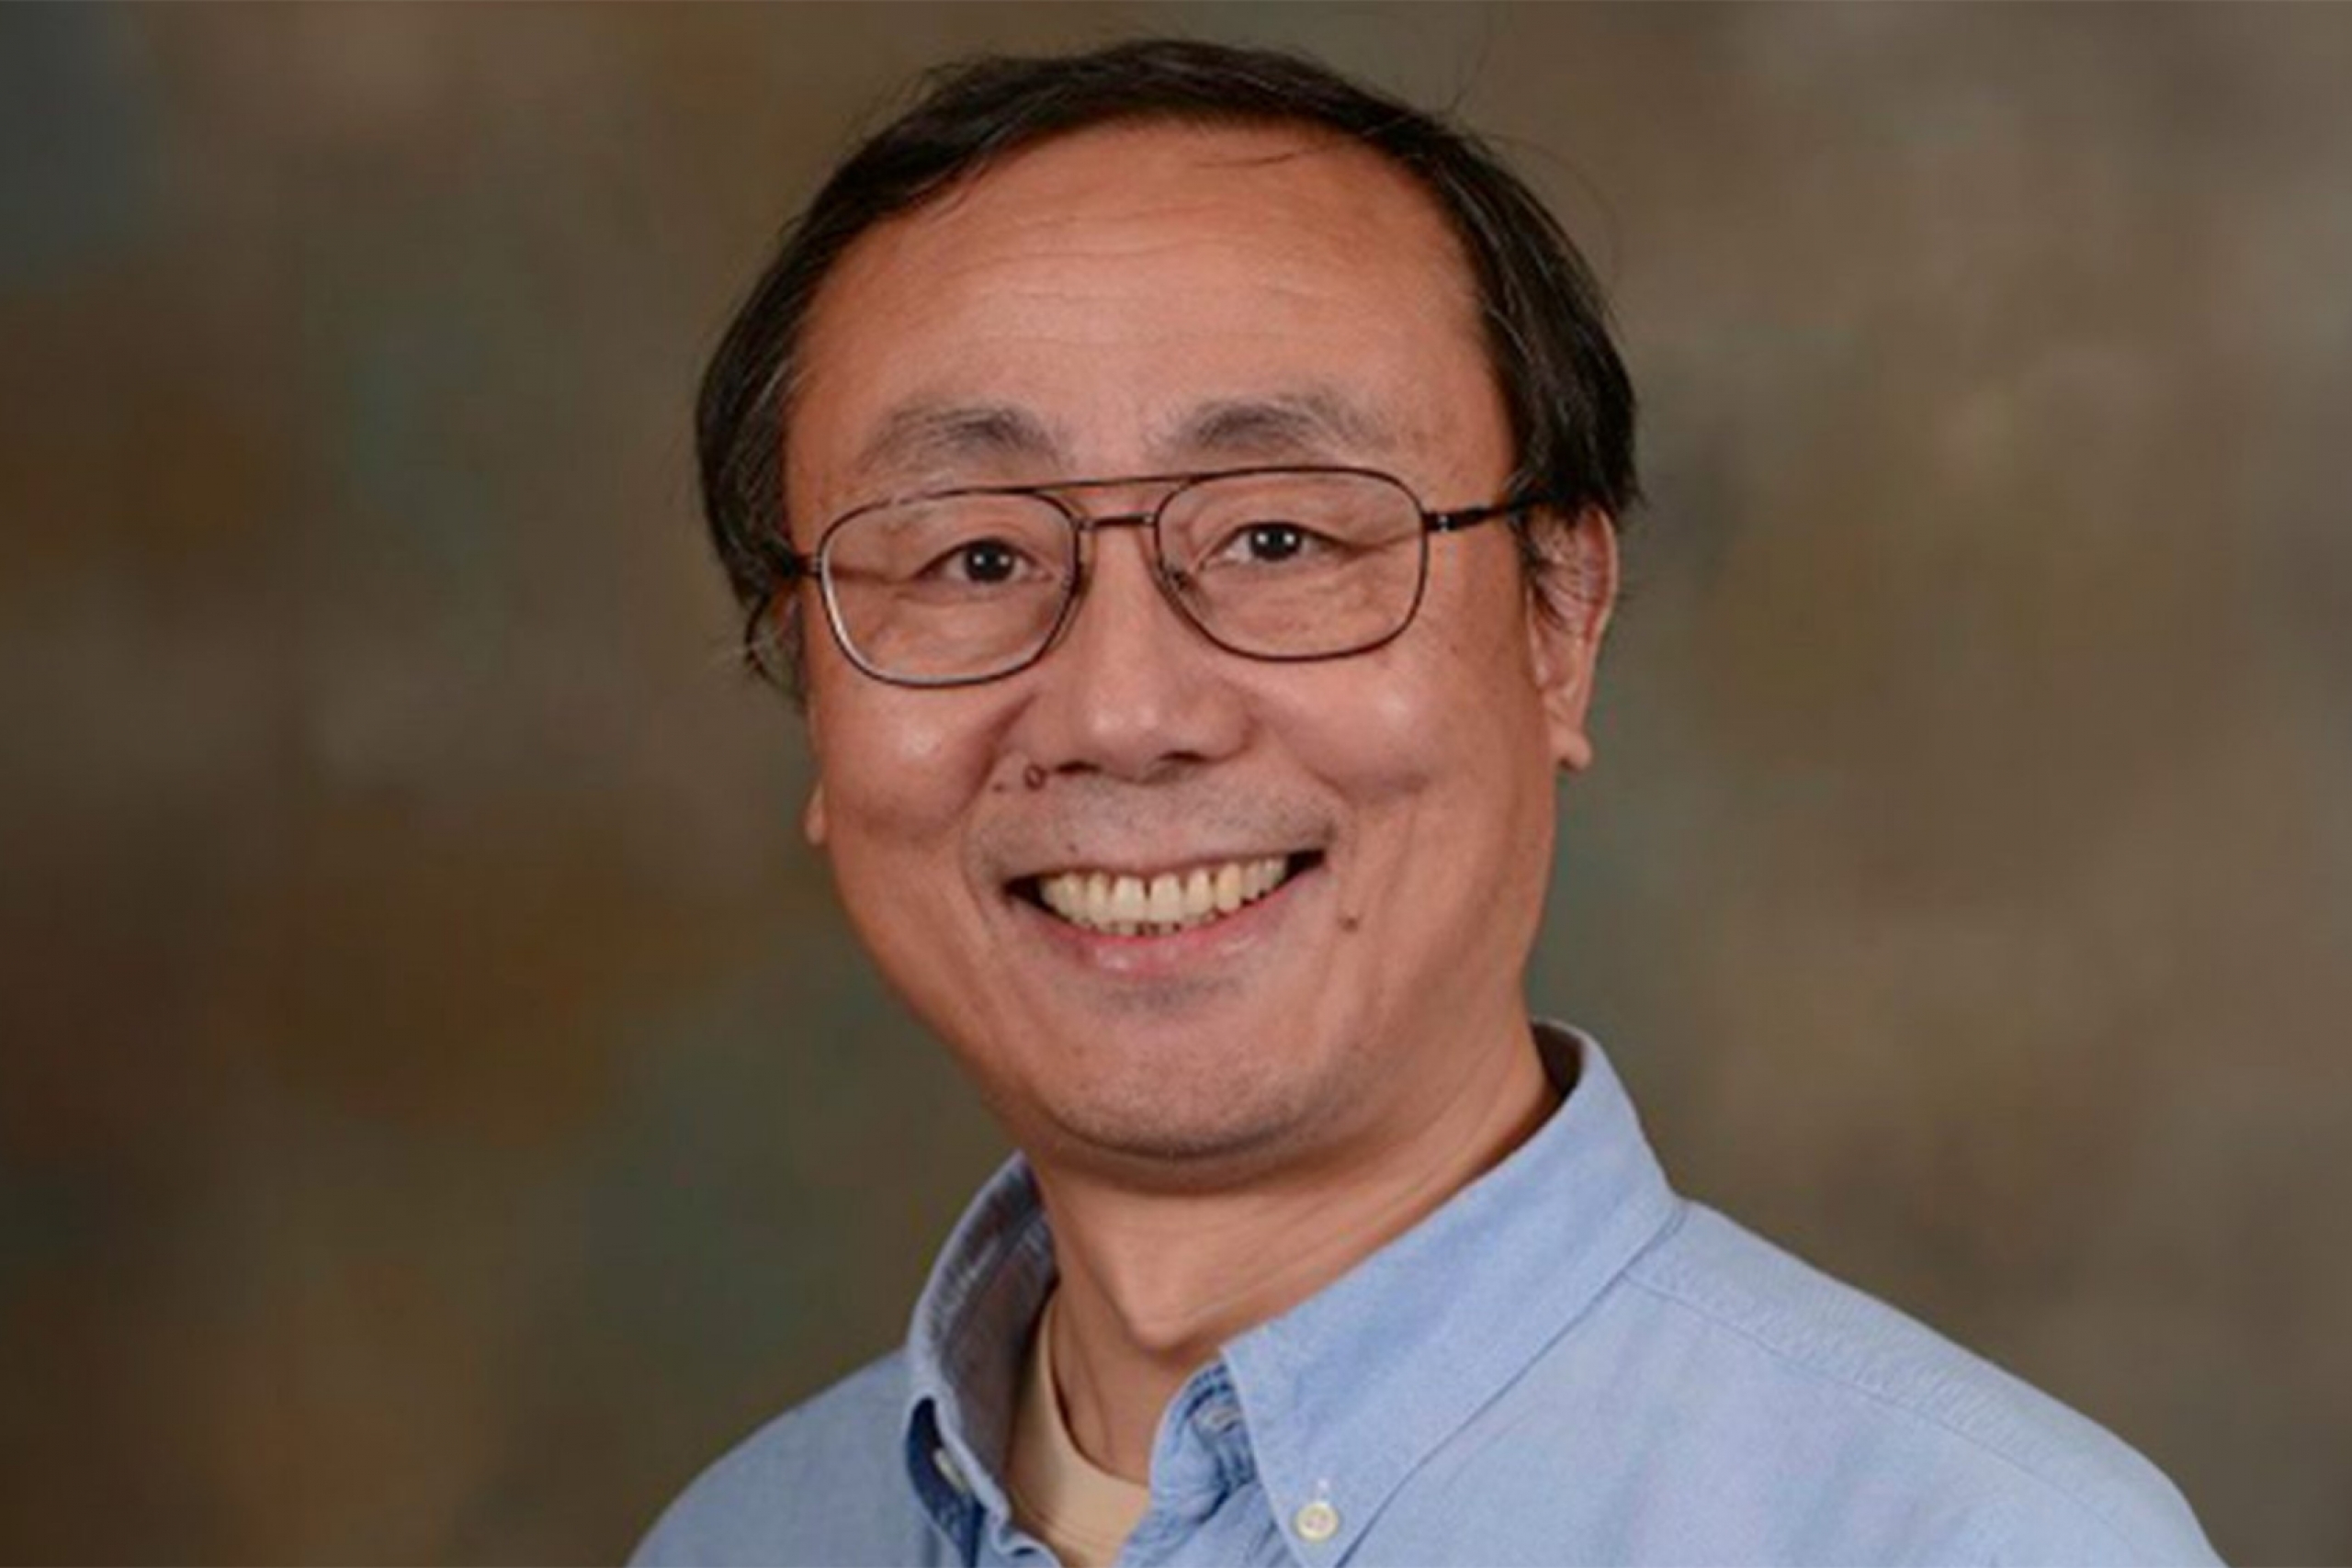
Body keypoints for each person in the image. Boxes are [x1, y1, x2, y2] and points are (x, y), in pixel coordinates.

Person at [635, 39, 2215, 1568]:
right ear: (812, 700)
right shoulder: (741, 1542)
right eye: (974, 560)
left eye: (1280, 541)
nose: (1125, 713)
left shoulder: (1971, 1544)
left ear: (1559, 623)